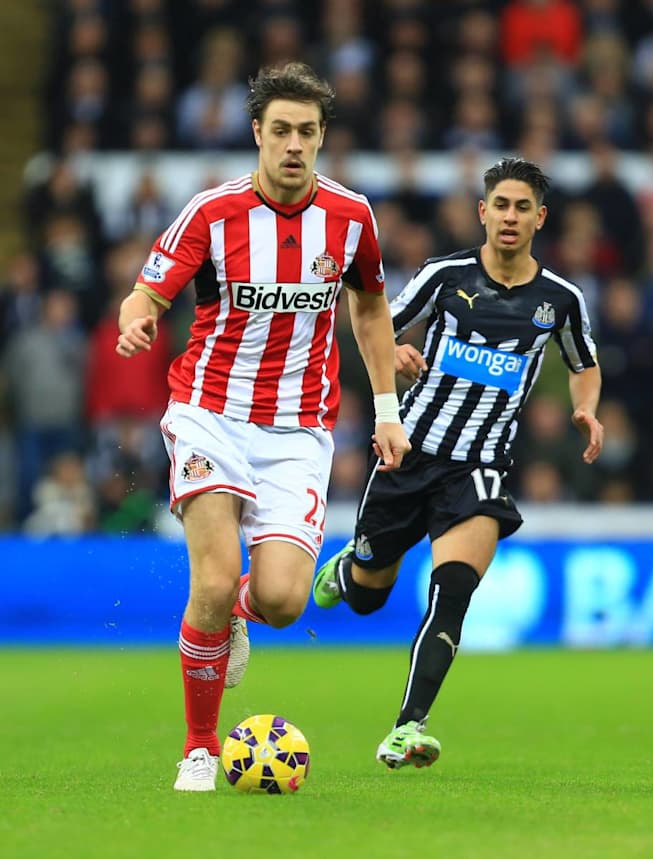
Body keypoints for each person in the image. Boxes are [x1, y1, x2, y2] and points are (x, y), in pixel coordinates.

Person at [115, 62, 410, 791]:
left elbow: (370, 307)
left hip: (298, 430)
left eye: (307, 131)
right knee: (212, 579)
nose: (293, 144)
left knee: (281, 601)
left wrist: (386, 410)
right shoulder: (211, 213)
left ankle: (238, 614)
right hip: (209, 414)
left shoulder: (351, 217)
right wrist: (138, 320)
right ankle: (199, 747)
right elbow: (145, 292)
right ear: (257, 133)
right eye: (281, 130)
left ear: (322, 136)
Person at [313, 157, 604, 770]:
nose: (510, 217)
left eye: (522, 207)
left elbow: (584, 363)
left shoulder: (561, 299)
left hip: (481, 467)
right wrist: (396, 350)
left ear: (540, 218)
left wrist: (585, 408)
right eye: (501, 205)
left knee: (452, 597)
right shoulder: (445, 275)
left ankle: (407, 727)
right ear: (482, 212)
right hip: (408, 452)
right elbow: (375, 323)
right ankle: (350, 568)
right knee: (367, 596)